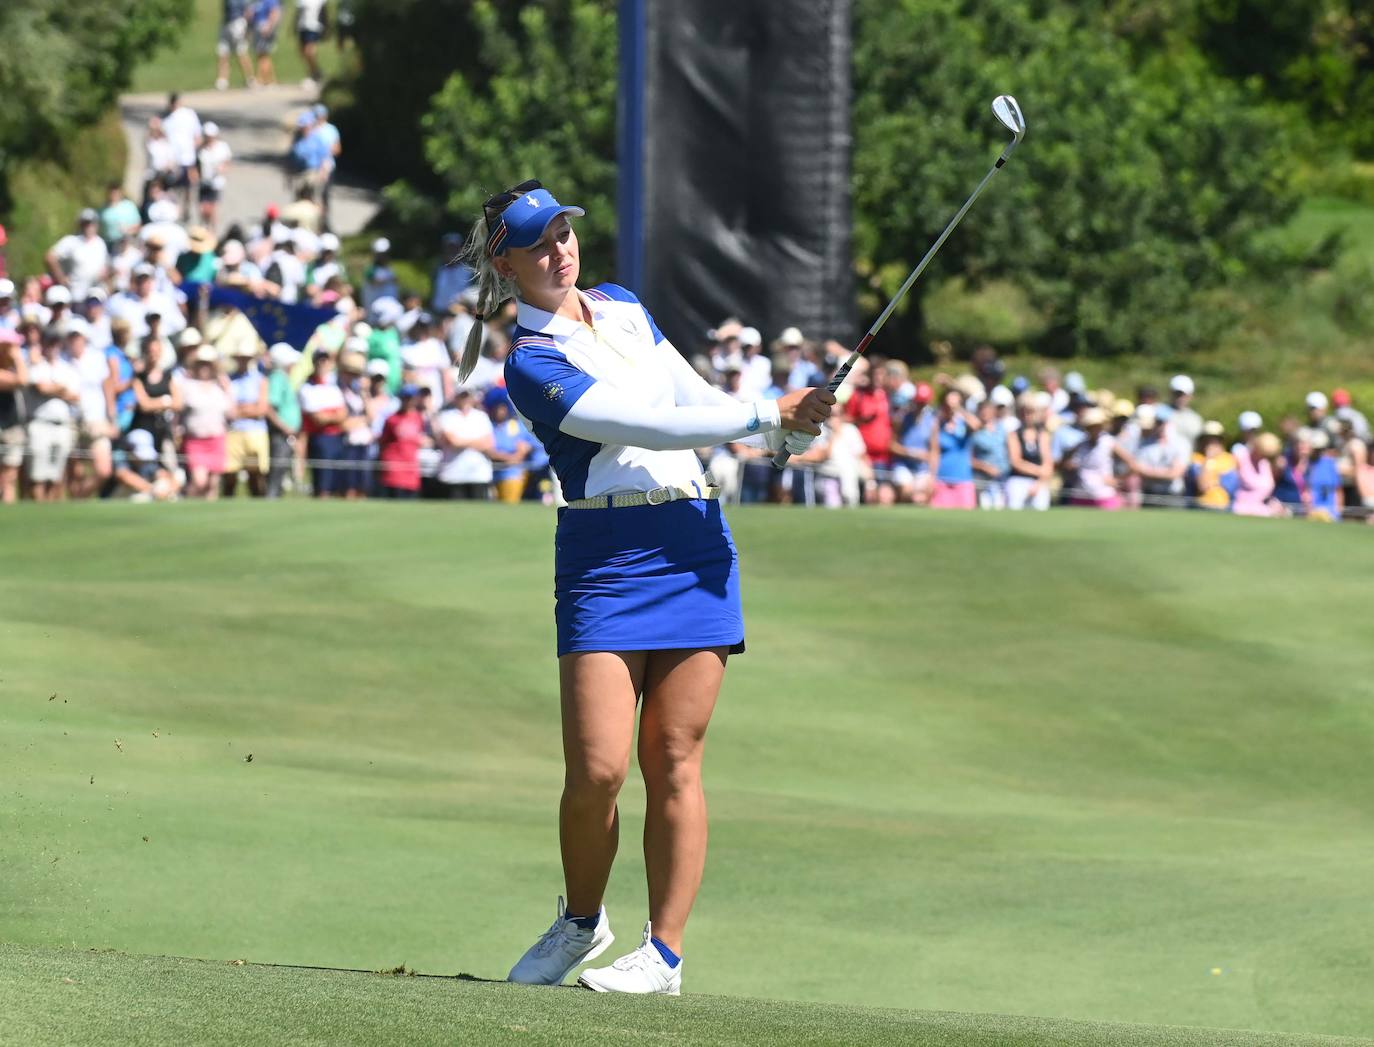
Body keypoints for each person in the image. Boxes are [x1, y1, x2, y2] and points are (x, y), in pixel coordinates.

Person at [457, 180, 827, 994]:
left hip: (695, 539)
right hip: (607, 554)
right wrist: (766, 407)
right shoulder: (531, 363)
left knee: (673, 757)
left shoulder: (623, 305)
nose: (560, 250)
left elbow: (693, 402)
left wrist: (782, 429)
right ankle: (583, 920)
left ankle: (663, 954)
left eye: (564, 233)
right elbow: (641, 425)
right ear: (505, 262)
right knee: (595, 768)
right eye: (539, 242)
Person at [25, 327, 81, 502]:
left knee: (56, 475)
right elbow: (41, 387)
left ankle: (50, 513)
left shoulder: (67, 368)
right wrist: (61, 388)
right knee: (38, 475)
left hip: (62, 425)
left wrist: (54, 388)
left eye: (55, 343)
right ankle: (38, 513)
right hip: (41, 423)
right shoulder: (37, 366)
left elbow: (75, 396)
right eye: (49, 342)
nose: (53, 346)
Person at [178, 346, 235, 499]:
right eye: (201, 363)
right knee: (199, 481)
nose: (204, 367)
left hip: (216, 438)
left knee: (213, 484)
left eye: (207, 364)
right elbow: (178, 411)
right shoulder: (187, 385)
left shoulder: (220, 387)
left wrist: (227, 389)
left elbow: (231, 413)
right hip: (195, 439)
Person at [298, 347, 347, 497]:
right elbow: (318, 419)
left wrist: (330, 416)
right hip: (319, 439)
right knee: (322, 484)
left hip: (337, 438)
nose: (323, 363)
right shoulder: (307, 388)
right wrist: (334, 416)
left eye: (326, 360)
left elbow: (343, 414)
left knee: (338, 484)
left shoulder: (333, 387)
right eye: (320, 360)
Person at [223, 345, 270, 496]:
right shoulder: (229, 379)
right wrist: (248, 408)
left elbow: (261, 409)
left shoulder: (259, 379)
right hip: (234, 431)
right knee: (230, 476)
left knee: (256, 476)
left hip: (255, 432)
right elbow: (228, 409)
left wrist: (240, 410)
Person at [927, 387, 980, 509]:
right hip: (942, 479)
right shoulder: (938, 424)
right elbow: (935, 452)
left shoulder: (964, 422)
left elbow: (977, 425)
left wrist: (958, 408)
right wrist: (932, 477)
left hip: (963, 479)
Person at [46, 210, 110, 302]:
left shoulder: (101, 244)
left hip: (95, 296)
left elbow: (105, 266)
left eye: (91, 223)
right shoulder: (71, 241)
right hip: (76, 296)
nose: (89, 227)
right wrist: (61, 278)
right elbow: (50, 257)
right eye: (86, 224)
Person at [484, 386, 534, 502]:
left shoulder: (515, 426)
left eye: (502, 407)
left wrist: (516, 456)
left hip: (512, 473)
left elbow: (525, 447)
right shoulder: (489, 426)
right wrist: (507, 457)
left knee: (509, 504)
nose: (499, 411)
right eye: (496, 407)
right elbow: (487, 449)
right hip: (491, 472)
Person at [265, 342, 302, 497]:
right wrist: (285, 428)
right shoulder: (278, 378)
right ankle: (271, 500)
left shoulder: (283, 378)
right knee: (277, 470)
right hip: (281, 434)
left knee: (282, 471)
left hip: (286, 434)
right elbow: (269, 408)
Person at [376, 383, 426, 498]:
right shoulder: (391, 419)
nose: (409, 401)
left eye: (411, 398)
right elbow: (383, 443)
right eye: (406, 398)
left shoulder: (419, 418)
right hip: (393, 472)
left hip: (411, 472)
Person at [1005, 393, 1053, 511]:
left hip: (1039, 483)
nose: (1027, 416)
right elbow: (1015, 461)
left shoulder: (1042, 435)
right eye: (1024, 412)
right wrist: (1038, 471)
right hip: (1018, 481)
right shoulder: (1014, 435)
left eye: (1030, 412)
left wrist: (1039, 482)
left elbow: (1048, 462)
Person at [0, 327, 29, 503]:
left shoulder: (11, 370)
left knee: (10, 475)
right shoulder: (10, 372)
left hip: (12, 426)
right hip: (3, 428)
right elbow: (23, 380)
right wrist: (17, 357)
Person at [197, 122, 233, 228]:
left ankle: (212, 230)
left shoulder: (222, 147)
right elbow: (196, 164)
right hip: (204, 182)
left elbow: (227, 162)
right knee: (202, 209)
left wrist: (222, 168)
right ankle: (204, 228)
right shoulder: (201, 149)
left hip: (216, 183)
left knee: (213, 209)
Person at [216, 0, 257, 90]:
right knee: (223, 52)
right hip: (226, 22)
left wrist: (248, 26)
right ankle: (222, 80)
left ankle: (250, 78)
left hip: (238, 22)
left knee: (241, 52)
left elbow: (249, 10)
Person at [296, 0, 328, 89]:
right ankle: (315, 72)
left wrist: (326, 29)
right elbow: (298, 13)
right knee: (302, 52)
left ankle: (313, 74)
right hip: (303, 27)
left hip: (314, 27)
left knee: (309, 51)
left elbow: (324, 13)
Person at [251, 0, 283, 84]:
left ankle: (262, 78)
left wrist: (269, 26)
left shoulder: (270, 1)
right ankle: (269, 79)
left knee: (263, 54)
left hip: (265, 29)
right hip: (258, 29)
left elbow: (275, 12)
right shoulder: (257, 2)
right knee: (261, 54)